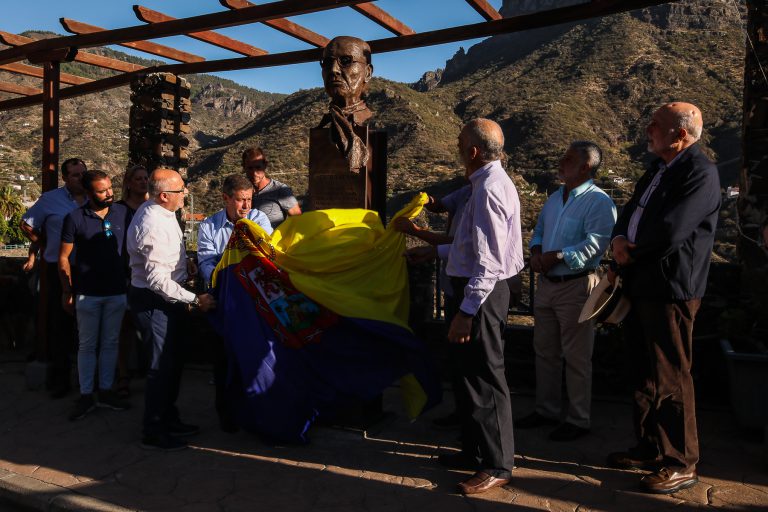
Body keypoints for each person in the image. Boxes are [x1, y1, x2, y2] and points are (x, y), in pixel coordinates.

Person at [607, 102, 720, 494]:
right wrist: (619, 239)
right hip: (642, 283)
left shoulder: (700, 173)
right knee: (642, 370)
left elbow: (672, 231)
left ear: (681, 134)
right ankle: (649, 446)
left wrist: (629, 253)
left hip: (671, 288)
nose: (649, 128)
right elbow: (630, 211)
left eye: (657, 124)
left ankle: (681, 462)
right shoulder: (657, 168)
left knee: (671, 375)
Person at [406, 118, 523, 494]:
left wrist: (466, 312)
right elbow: (468, 245)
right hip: (474, 290)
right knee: (469, 378)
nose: (456, 146)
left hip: (482, 296)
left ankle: (497, 464)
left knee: (486, 379)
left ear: (472, 151)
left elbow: (488, 262)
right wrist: (436, 249)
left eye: (459, 142)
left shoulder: (490, 189)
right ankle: (474, 451)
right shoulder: (479, 185)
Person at [517, 141, 616, 441]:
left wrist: (557, 256)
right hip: (548, 285)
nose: (561, 162)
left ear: (586, 166)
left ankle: (577, 419)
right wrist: (536, 250)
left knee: (576, 356)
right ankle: (546, 410)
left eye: (568, 159)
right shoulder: (554, 199)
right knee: (545, 351)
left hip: (577, 286)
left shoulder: (599, 202)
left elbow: (596, 244)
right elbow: (540, 231)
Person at [127, 169, 216, 451]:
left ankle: (169, 418)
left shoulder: (162, 213)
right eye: (180, 190)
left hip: (166, 299)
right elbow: (156, 280)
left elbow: (164, 262)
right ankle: (154, 429)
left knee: (172, 364)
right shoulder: (153, 221)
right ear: (164, 195)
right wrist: (193, 299)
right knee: (160, 367)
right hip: (156, 302)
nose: (186, 193)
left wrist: (183, 262)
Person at [197, 174, 273, 432]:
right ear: (226, 198)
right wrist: (225, 283)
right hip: (224, 302)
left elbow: (265, 257)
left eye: (249, 200)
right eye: (240, 200)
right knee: (224, 360)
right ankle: (227, 415)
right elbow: (206, 263)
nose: (246, 207)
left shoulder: (259, 220)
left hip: (254, 304)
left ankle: (256, 411)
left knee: (254, 359)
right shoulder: (208, 225)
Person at [59, 170, 132, 420]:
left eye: (110, 188)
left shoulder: (122, 212)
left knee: (111, 343)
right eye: (102, 191)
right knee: (87, 345)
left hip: (117, 291)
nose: (109, 193)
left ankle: (106, 391)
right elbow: (63, 258)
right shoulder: (75, 218)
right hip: (87, 293)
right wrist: (67, 290)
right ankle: (86, 395)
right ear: (89, 193)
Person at [21, 157, 87, 398]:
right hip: (58, 269)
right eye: (75, 175)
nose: (80, 178)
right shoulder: (51, 200)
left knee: (87, 326)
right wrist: (44, 244)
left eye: (83, 173)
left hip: (89, 270)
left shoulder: (95, 198)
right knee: (60, 324)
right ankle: (61, 379)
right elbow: (26, 223)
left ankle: (87, 380)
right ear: (65, 178)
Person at [115, 163, 150, 398]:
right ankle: (122, 375)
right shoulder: (116, 210)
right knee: (123, 328)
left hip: (148, 276)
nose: (143, 181)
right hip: (121, 275)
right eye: (138, 178)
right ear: (128, 182)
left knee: (147, 328)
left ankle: (150, 374)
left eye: (145, 178)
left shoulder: (153, 208)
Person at [242, 147, 301, 229]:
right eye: (250, 168)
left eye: (258, 167)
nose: (254, 173)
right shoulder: (242, 192)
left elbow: (298, 221)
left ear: (265, 165)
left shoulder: (280, 190)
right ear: (244, 167)